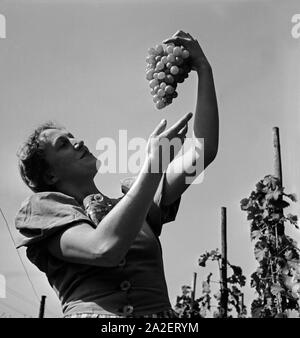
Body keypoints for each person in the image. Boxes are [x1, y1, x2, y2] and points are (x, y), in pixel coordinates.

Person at [15, 30, 219, 318]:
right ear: (49, 176)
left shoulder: (133, 199)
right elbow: (103, 248)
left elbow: (201, 154)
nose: (78, 142)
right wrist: (154, 165)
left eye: (73, 136)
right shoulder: (43, 212)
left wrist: (203, 68)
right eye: (63, 144)